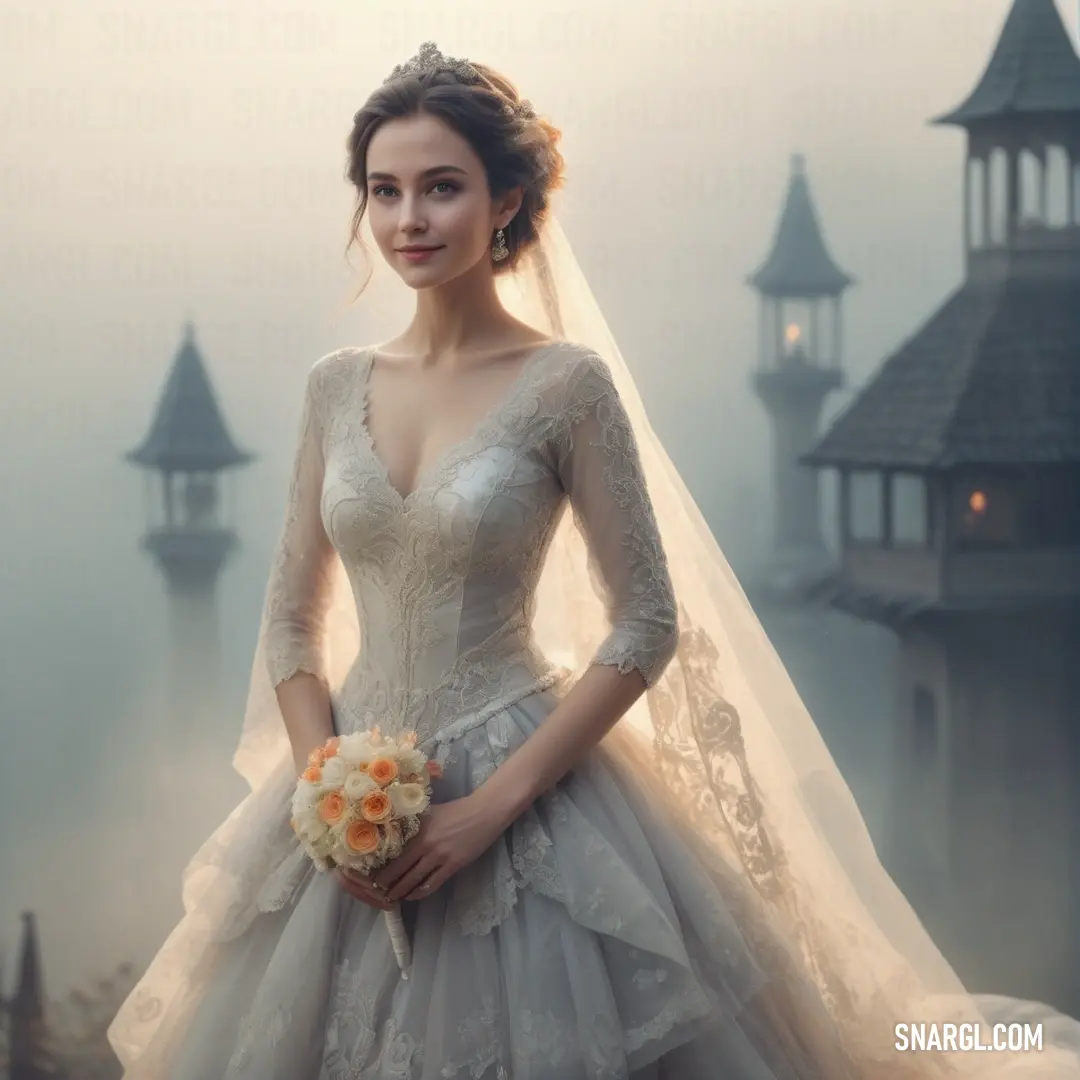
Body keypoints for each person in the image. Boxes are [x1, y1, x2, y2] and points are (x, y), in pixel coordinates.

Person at [108, 43, 1080, 1079]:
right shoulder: (333, 384)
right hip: (347, 812)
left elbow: (645, 621)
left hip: (526, 795)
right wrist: (326, 800)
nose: (409, 221)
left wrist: (490, 808)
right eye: (384, 192)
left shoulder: (565, 384)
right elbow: (293, 627)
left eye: (442, 188)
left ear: (505, 200)